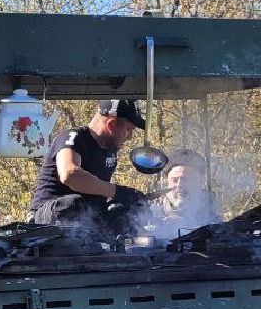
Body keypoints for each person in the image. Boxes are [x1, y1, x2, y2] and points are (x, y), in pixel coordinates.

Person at [30, 99, 148, 235]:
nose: (130, 137)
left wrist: (130, 201)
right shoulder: (72, 138)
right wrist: (118, 191)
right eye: (129, 129)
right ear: (111, 125)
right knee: (74, 204)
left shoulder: (110, 152)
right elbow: (70, 175)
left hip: (87, 220)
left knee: (125, 213)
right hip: (48, 217)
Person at [151, 150, 222, 235]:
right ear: (167, 182)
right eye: (174, 180)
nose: (179, 185)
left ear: (201, 181)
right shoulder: (152, 212)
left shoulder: (211, 214)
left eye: (186, 179)